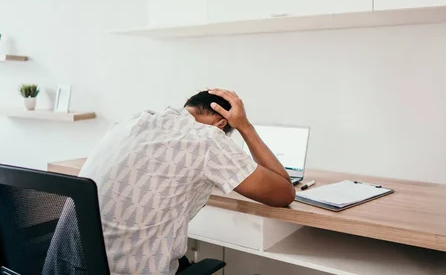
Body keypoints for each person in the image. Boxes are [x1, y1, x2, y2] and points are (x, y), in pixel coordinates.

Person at [43, 89, 295, 275]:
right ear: (221, 124)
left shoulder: (132, 122)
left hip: (62, 267)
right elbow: (284, 193)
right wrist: (245, 127)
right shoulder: (208, 139)